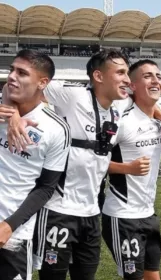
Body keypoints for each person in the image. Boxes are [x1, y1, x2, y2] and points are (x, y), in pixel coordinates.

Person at [3, 49, 161, 280]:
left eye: (127, 73)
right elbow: (16, 84)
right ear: (98, 77)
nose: (127, 80)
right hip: (58, 210)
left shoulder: (120, 105)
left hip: (91, 213)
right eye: (120, 73)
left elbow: (151, 104)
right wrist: (13, 114)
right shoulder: (71, 94)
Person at [0, 50, 70, 280]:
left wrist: (9, 225)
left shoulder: (56, 129)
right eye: (11, 69)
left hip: (13, 235)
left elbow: (46, 188)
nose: (12, 76)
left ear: (42, 82)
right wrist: (10, 111)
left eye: (21, 73)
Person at [102, 59, 161, 280]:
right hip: (123, 216)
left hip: (149, 214)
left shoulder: (158, 123)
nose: (155, 80)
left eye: (158, 76)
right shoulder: (121, 122)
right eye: (147, 76)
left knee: (153, 275)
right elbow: (90, 161)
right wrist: (126, 168)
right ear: (132, 86)